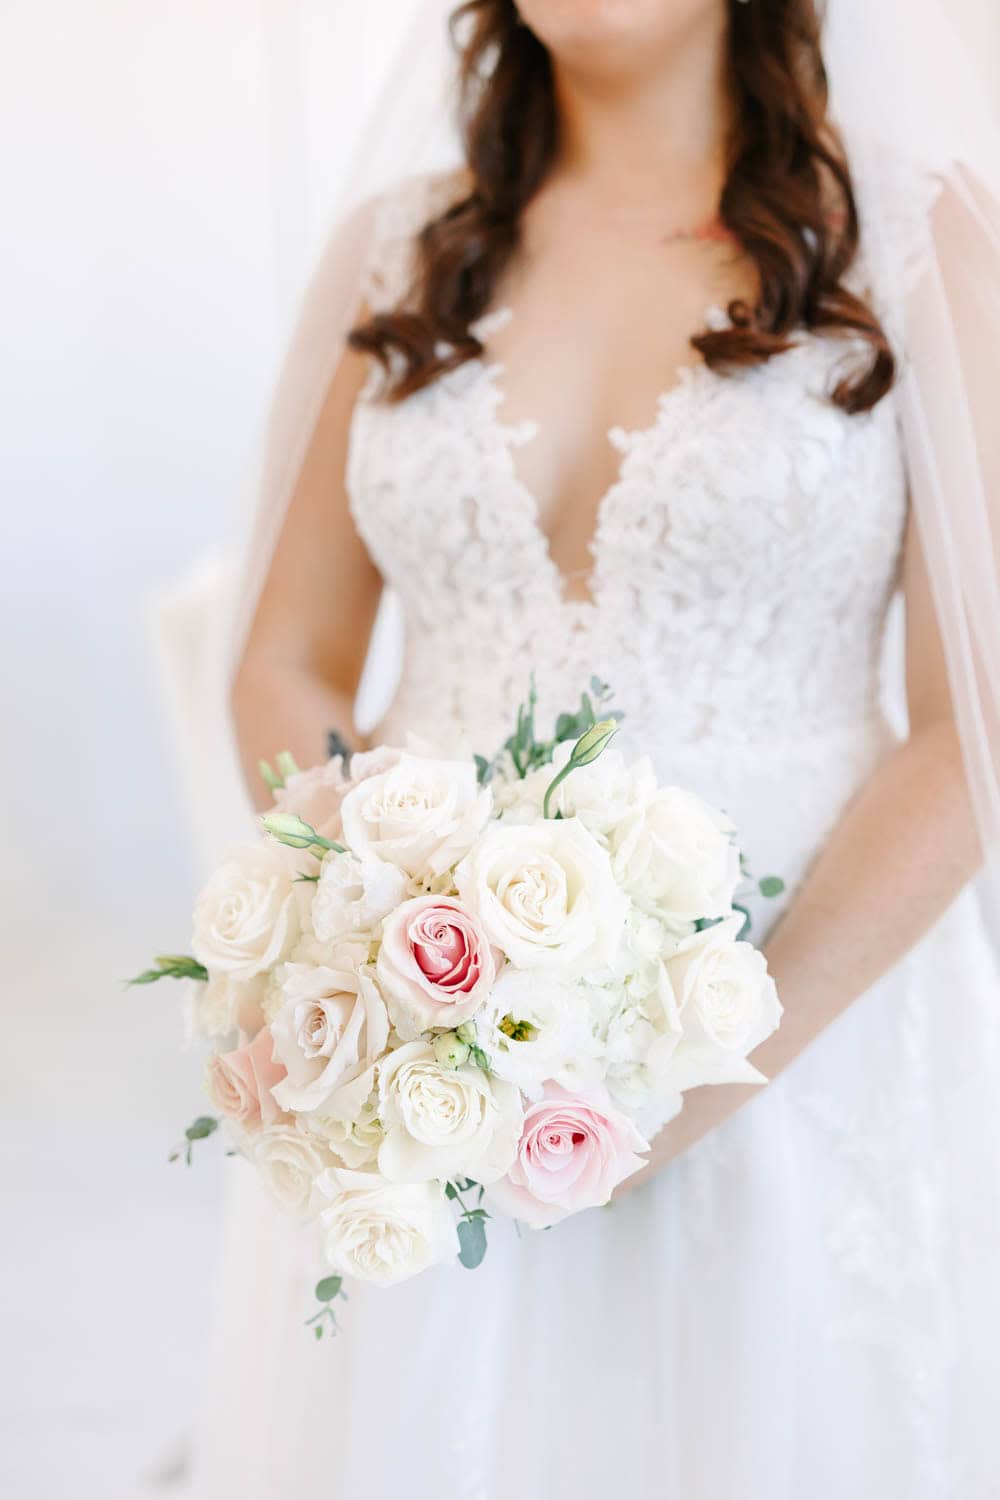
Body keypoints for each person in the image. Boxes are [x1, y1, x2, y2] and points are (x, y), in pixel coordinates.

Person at [189, 2, 1000, 1495]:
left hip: (803, 1043)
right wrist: (369, 944)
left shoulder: (912, 231)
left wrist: (693, 1081)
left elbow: (978, 739)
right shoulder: (400, 243)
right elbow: (286, 656)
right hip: (428, 1082)